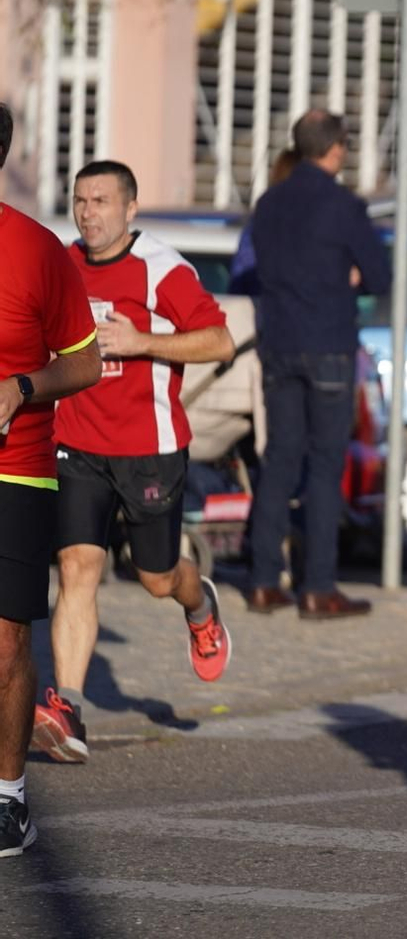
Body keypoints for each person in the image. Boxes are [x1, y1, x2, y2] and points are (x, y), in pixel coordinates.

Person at [30, 161, 237, 766]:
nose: (88, 212)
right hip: (76, 442)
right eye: (80, 200)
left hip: (149, 447)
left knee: (155, 578)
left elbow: (219, 340)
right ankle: (68, 710)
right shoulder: (60, 263)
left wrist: (141, 342)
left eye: (101, 200)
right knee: (76, 568)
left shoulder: (162, 268)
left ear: (130, 209)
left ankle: (200, 606)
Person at [0, 101, 102, 855]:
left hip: (18, 470)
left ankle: (7, 795)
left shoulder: (38, 251)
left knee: (6, 644)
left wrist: (24, 386)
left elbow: (87, 361)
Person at [246, 109, 391, 618]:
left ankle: (263, 581)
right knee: (326, 467)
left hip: (278, 343)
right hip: (328, 342)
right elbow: (380, 277)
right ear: (337, 149)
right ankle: (318, 587)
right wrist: (349, 275)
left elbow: (263, 268)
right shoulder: (344, 205)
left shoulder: (268, 203)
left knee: (280, 460)